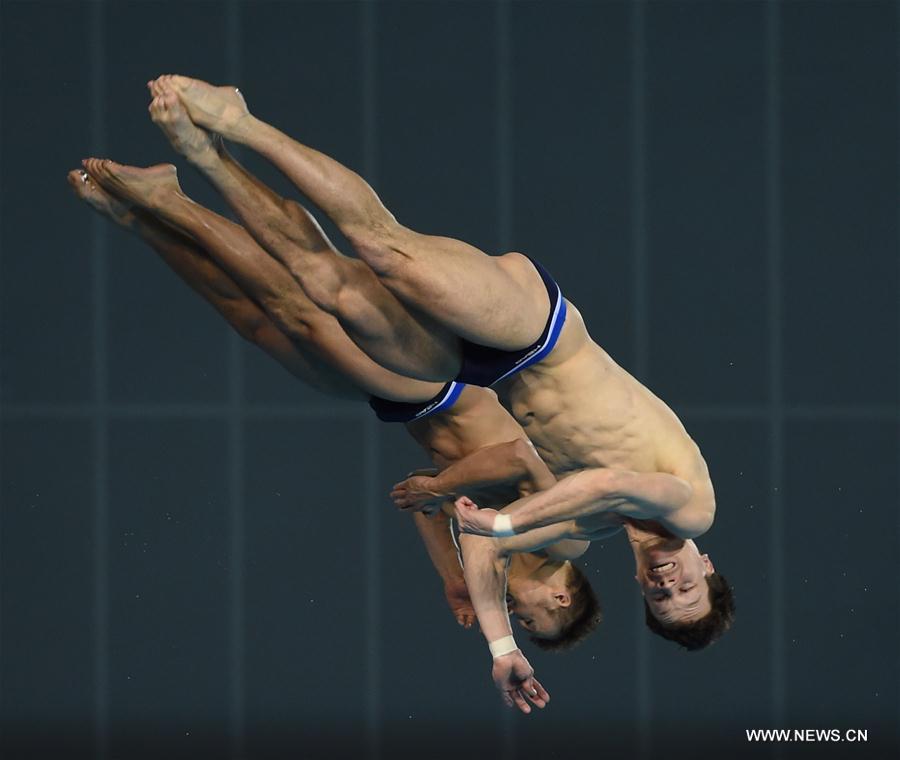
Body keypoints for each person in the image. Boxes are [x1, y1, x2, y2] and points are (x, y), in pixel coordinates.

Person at [141, 74, 733, 660]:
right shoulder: (690, 509)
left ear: (640, 592)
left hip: (483, 372)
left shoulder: (586, 529)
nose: (667, 584)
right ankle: (238, 121)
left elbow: (482, 551)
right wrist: (501, 526)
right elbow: (610, 480)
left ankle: (207, 157)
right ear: (704, 566)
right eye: (687, 588)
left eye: (661, 600)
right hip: (539, 333)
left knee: (330, 288)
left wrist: (503, 647)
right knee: (383, 250)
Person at [73, 128, 596, 711]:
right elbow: (518, 457)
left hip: (406, 406)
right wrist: (443, 484)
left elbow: (424, 509)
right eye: (532, 618)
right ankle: (171, 199)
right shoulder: (568, 538)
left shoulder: (494, 546)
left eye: (518, 622)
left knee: (257, 323)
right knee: (296, 304)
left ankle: (141, 222)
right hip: (447, 391)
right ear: (561, 599)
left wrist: (449, 571)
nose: (518, 616)